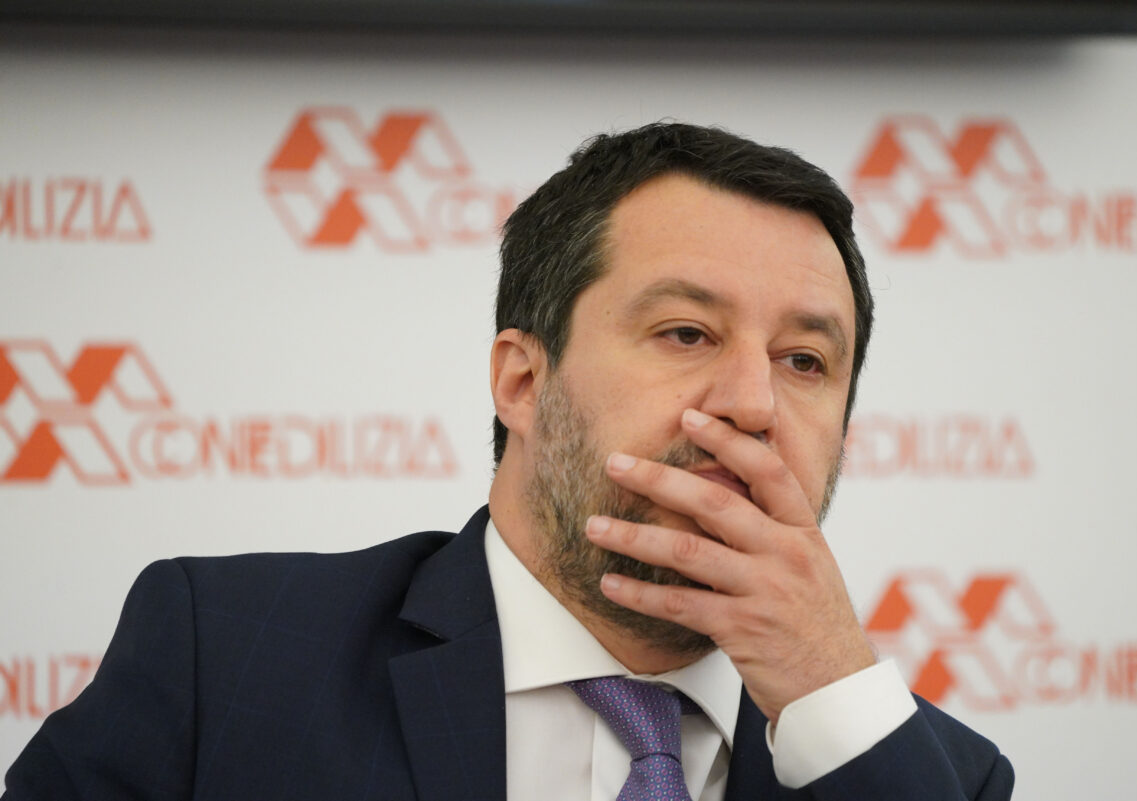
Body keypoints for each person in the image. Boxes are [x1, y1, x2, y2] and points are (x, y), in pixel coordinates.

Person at [2, 123, 1014, 800]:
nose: (754, 404)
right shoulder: (226, 661)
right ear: (522, 382)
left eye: (805, 361)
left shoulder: (923, 768)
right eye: (686, 333)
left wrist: (832, 691)